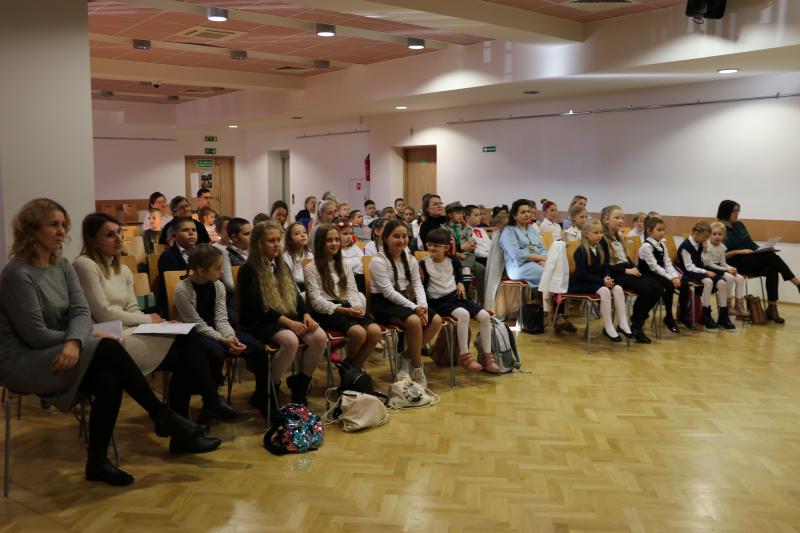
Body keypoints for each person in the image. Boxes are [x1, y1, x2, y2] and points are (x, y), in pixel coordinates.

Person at [0, 199, 215, 487]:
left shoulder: (61, 265)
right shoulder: (17, 273)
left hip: (63, 347)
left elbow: (80, 312)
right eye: (54, 225)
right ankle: (162, 414)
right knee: (107, 345)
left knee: (109, 380)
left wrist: (76, 340)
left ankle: (97, 462)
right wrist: (77, 340)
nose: (62, 231)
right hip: (25, 359)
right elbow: (35, 335)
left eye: (63, 225)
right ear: (31, 229)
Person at [237, 221, 327, 406]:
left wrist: (306, 315)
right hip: (259, 320)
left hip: (284, 317)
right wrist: (289, 323)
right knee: (290, 340)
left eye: (278, 240)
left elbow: (295, 295)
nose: (277, 244)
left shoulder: (281, 265)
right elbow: (257, 306)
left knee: (319, 337)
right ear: (259, 244)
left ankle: (301, 383)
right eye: (271, 241)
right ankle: (268, 388)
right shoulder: (248, 269)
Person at [173, 244, 258, 422]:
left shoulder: (218, 286)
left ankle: (263, 397)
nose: (222, 272)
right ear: (201, 271)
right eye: (218, 268)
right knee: (216, 353)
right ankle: (211, 404)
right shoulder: (182, 289)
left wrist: (231, 338)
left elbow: (221, 318)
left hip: (218, 331)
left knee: (258, 349)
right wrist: (222, 339)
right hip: (196, 333)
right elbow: (197, 324)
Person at [369, 219, 442, 387]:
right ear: (385, 238)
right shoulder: (378, 261)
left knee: (436, 320)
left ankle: (406, 356)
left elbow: (417, 284)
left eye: (404, 236)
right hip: (385, 303)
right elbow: (388, 292)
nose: (401, 240)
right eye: (396, 236)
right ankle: (417, 367)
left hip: (407, 302)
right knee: (414, 321)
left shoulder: (410, 259)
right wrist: (415, 308)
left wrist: (422, 306)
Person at [305, 224, 381, 377]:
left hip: (346, 307)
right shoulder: (311, 268)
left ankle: (351, 368)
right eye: (329, 240)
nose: (334, 243)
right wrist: (343, 309)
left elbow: (352, 290)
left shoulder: (344, 265)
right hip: (328, 311)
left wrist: (358, 307)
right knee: (359, 333)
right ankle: (351, 371)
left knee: (375, 331)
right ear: (320, 243)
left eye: (336, 240)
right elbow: (316, 302)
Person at [421, 228, 500, 373]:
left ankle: (487, 356)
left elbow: (459, 276)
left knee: (484, 315)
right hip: (438, 302)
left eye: (436, 245)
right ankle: (464, 355)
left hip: (455, 297)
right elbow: (421, 285)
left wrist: (460, 283)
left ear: (446, 248)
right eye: (429, 244)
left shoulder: (453, 261)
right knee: (463, 314)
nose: (431, 248)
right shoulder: (424, 264)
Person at [717, 200, 800, 323]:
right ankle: (797, 282)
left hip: (749, 259)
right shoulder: (718, 228)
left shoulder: (740, 225)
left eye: (738, 210)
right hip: (732, 263)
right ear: (726, 211)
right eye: (734, 211)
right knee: (771, 257)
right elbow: (718, 256)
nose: (737, 213)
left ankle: (772, 308)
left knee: (772, 268)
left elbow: (751, 244)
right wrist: (737, 252)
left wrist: (763, 249)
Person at [598, 206, 659, 343]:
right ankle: (636, 326)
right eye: (617, 218)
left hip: (626, 271)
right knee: (646, 290)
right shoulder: (602, 239)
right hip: (615, 274)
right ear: (606, 220)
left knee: (657, 287)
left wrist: (634, 268)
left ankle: (637, 320)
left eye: (622, 218)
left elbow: (626, 259)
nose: (621, 221)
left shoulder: (619, 237)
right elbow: (605, 266)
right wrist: (626, 271)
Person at [569, 219, 632, 342]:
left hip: (598, 282)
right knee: (604, 291)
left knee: (618, 288)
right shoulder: (580, 251)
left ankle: (623, 323)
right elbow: (582, 275)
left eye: (601, 232)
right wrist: (602, 281)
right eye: (595, 233)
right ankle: (608, 326)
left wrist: (607, 278)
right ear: (586, 234)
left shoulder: (601, 248)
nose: (599, 235)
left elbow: (606, 267)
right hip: (582, 284)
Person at [676, 221, 734, 330]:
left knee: (722, 283)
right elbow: (689, 267)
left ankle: (723, 316)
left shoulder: (700, 243)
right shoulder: (685, 246)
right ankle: (705, 315)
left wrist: (705, 250)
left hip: (700, 270)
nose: (706, 240)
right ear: (696, 233)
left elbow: (704, 261)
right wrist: (705, 272)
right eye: (705, 237)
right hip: (689, 273)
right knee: (708, 281)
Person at [636, 214, 682, 334]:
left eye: (663, 230)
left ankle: (673, 316)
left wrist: (675, 276)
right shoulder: (646, 246)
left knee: (677, 284)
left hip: (657, 274)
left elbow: (667, 263)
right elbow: (654, 267)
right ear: (649, 231)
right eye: (659, 230)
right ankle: (664, 316)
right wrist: (670, 278)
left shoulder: (662, 244)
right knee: (668, 285)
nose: (662, 232)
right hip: (647, 275)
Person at [704, 221, 748, 317]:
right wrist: (726, 270)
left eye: (720, 234)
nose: (717, 236)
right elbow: (710, 264)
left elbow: (723, 263)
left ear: (723, 236)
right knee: (730, 278)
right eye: (714, 234)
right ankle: (727, 305)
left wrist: (731, 268)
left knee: (740, 278)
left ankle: (739, 306)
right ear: (709, 235)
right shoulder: (707, 246)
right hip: (711, 269)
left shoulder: (722, 246)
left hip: (720, 268)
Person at [446, 201, 485, 304]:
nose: (461, 215)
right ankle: (466, 296)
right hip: (454, 257)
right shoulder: (445, 228)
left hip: (467, 256)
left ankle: (482, 301)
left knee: (481, 269)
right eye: (458, 213)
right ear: (450, 215)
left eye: (462, 213)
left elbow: (471, 240)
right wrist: (458, 253)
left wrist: (472, 243)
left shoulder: (465, 227)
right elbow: (447, 246)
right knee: (466, 270)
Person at [157, 216, 197, 317]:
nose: (191, 233)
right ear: (174, 236)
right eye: (185, 230)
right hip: (178, 302)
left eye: (194, 230)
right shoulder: (167, 257)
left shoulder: (202, 254)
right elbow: (171, 286)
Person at [221, 217, 251, 294]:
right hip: (239, 297)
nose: (251, 236)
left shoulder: (255, 251)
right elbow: (229, 283)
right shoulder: (226, 253)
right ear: (234, 237)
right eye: (247, 234)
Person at [337, 219, 366, 294]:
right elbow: (342, 267)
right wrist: (357, 261)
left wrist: (350, 265)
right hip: (344, 282)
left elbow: (365, 263)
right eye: (345, 234)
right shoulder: (336, 251)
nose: (349, 237)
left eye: (351, 233)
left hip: (360, 278)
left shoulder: (355, 248)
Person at [283, 222, 312, 292]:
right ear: (290, 239)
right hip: (295, 291)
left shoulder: (309, 255)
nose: (303, 235)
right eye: (297, 233)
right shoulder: (286, 257)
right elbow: (289, 283)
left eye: (304, 232)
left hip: (310, 289)